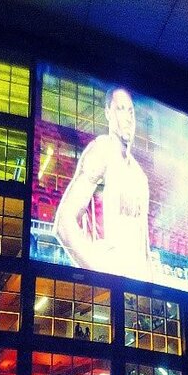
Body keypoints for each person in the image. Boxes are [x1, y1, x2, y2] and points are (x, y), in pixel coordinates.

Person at [54, 87, 152, 281]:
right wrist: (97, 273)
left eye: (130, 111)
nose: (127, 117)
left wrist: (151, 293)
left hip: (136, 291)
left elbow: (145, 249)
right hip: (109, 288)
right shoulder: (102, 151)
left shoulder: (140, 176)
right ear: (108, 113)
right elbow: (64, 222)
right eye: (120, 109)